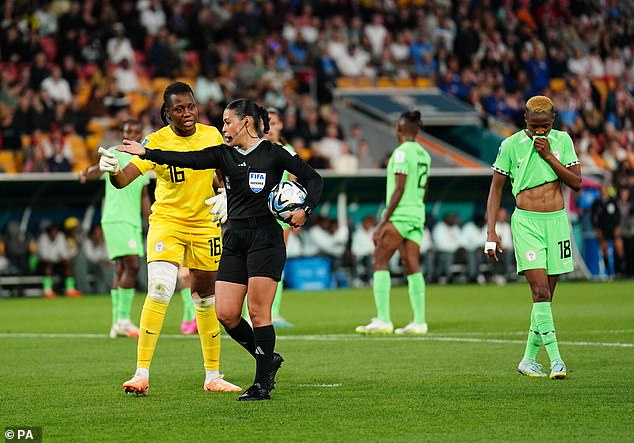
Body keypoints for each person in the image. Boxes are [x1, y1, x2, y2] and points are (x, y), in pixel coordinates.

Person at [115, 98, 323, 401]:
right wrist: (147, 153)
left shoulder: (275, 154)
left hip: (265, 237)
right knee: (225, 313)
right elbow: (186, 159)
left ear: (246, 123)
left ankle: (262, 383)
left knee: (258, 312)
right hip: (235, 238)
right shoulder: (223, 155)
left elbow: (313, 179)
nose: (223, 128)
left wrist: (305, 209)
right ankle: (268, 358)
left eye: (227, 122)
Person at [97, 82, 241, 395]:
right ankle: (141, 373)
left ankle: (213, 376)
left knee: (205, 297)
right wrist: (111, 170)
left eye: (190, 106)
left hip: (205, 223)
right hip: (167, 223)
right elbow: (124, 180)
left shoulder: (212, 135)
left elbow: (227, 173)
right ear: (167, 113)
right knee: (161, 288)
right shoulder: (156, 142)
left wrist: (227, 195)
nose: (187, 113)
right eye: (179, 108)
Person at [485, 95, 581, 380]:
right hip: (527, 223)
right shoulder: (511, 145)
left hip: (557, 224)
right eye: (535, 125)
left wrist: (549, 155)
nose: (540, 131)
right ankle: (556, 360)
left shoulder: (562, 141)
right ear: (525, 120)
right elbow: (495, 189)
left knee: (546, 298)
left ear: (553, 121)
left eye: (546, 126)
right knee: (539, 292)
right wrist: (491, 231)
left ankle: (528, 360)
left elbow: (576, 183)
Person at [356, 110, 431, 336]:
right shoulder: (424, 155)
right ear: (416, 131)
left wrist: (383, 222)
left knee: (379, 260)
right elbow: (425, 188)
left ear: (399, 129)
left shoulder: (400, 154)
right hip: (417, 214)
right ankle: (419, 321)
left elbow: (399, 188)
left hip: (400, 216)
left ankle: (383, 320)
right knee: (411, 265)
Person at [80, 119, 152, 338]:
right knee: (132, 264)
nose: (131, 134)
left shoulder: (143, 160)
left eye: (135, 130)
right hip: (116, 218)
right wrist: (86, 173)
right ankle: (123, 320)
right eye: (127, 130)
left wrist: (150, 219)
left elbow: (143, 196)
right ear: (122, 133)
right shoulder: (114, 151)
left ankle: (116, 322)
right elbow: (97, 168)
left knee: (122, 268)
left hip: (130, 221)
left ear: (141, 133)